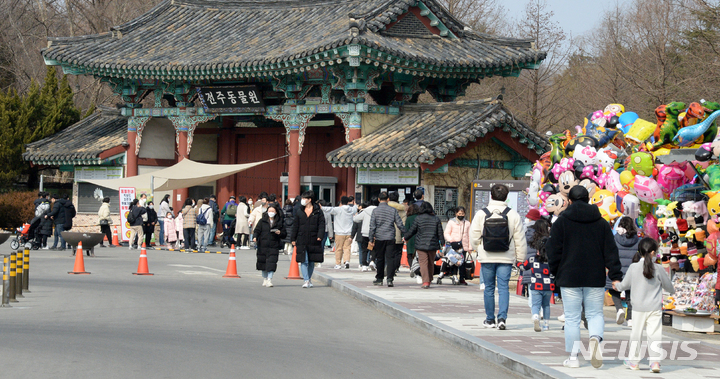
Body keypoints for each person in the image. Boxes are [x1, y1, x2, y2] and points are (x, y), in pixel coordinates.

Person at [545, 185, 623, 369]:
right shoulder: (601, 223)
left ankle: (573, 358)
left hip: (568, 276)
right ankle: (595, 338)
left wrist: (556, 271)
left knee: (572, 318)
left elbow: (553, 251)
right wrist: (615, 274)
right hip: (594, 276)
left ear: (569, 201)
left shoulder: (561, 223)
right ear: (589, 199)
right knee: (595, 313)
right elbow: (611, 251)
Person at [469, 184, 527, 331]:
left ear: (491, 195)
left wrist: (478, 249)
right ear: (506, 197)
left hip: (487, 256)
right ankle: (502, 318)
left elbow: (474, 236)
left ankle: (490, 319)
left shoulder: (482, 213)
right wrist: (520, 258)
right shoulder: (513, 214)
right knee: (503, 288)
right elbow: (520, 238)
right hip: (506, 257)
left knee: (488, 288)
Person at [614, 238, 674, 373]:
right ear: (653, 252)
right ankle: (655, 362)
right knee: (654, 334)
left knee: (636, 334)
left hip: (637, 308)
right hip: (654, 308)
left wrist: (616, 285)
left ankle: (634, 362)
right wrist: (673, 291)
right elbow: (669, 287)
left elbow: (624, 285)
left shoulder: (633, 267)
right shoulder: (658, 268)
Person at [368, 191, 406, 287]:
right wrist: (405, 233)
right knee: (390, 259)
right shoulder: (393, 210)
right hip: (390, 237)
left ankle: (379, 278)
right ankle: (390, 279)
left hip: (380, 237)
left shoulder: (375, 211)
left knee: (380, 258)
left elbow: (372, 226)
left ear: (379, 199)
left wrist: (371, 238)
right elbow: (400, 224)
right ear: (388, 199)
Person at [607, 216, 640, 326]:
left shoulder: (615, 239)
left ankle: (619, 309)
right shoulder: (638, 240)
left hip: (617, 270)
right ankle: (630, 318)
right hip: (632, 271)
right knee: (631, 294)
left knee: (614, 290)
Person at [518, 235, 555, 332]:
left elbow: (523, 267)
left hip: (536, 286)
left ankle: (535, 317)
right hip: (548, 287)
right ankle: (546, 325)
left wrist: (517, 263)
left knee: (535, 305)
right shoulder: (551, 260)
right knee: (546, 305)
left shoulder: (532, 259)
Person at [404, 201, 444, 289]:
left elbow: (412, 230)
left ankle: (425, 281)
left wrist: (406, 237)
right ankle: (429, 279)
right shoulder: (436, 219)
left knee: (423, 263)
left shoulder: (418, 218)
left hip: (421, 244)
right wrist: (442, 242)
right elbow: (440, 232)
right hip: (433, 244)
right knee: (430, 262)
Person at [291, 191, 325, 288]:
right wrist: (293, 238)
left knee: (311, 261)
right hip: (301, 238)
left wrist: (320, 235)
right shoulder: (299, 211)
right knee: (303, 260)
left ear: (309, 200)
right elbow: (295, 225)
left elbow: (322, 225)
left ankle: (309, 279)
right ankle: (306, 280)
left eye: (304, 198)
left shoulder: (318, 211)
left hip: (314, 239)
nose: (303, 200)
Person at [254, 204, 287, 287]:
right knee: (263, 262)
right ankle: (265, 279)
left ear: (276, 212)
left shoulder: (279, 221)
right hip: (263, 245)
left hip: (274, 245)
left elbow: (284, 233)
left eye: (273, 211)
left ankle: (269, 279)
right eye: (269, 211)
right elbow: (257, 230)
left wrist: (280, 233)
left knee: (272, 262)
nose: (271, 213)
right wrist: (255, 237)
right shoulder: (262, 221)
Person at [321, 196, 358, 269]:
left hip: (339, 232)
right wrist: (354, 203)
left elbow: (328, 209)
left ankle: (338, 264)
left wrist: (321, 207)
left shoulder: (337, 209)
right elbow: (356, 207)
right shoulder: (351, 209)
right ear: (348, 202)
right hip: (349, 232)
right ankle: (346, 261)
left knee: (339, 248)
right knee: (347, 248)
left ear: (341, 202)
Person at [444, 206, 472, 285]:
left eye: (462, 213)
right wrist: (451, 240)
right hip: (454, 246)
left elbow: (470, 235)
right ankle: (454, 276)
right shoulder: (451, 222)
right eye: (459, 213)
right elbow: (446, 233)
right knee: (454, 262)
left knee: (462, 263)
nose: (461, 215)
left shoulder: (467, 223)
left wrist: (470, 247)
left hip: (464, 246)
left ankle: (462, 278)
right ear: (456, 213)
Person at [521, 209, 545, 296]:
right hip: (540, 262)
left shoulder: (525, 230)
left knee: (531, 287)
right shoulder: (542, 230)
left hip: (528, 261)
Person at [354, 197, 378, 272]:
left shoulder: (365, 211)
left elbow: (356, 219)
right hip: (375, 232)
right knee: (374, 248)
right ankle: (372, 261)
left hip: (365, 232)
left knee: (364, 250)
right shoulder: (378, 210)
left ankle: (364, 265)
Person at [387, 192, 407, 273]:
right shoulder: (402, 211)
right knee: (398, 253)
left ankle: (389, 267)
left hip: (387, 234)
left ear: (389, 199)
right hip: (398, 235)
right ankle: (395, 267)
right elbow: (404, 224)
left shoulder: (386, 209)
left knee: (388, 252)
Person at [404, 203, 419, 280]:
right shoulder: (419, 217)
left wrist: (405, 237)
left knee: (410, 255)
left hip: (410, 238)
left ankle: (411, 268)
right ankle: (416, 269)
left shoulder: (409, 218)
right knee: (417, 255)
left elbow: (406, 229)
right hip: (419, 238)